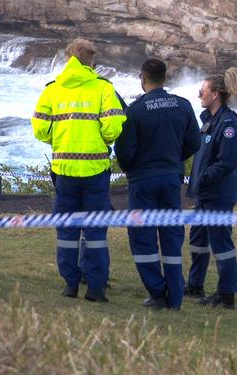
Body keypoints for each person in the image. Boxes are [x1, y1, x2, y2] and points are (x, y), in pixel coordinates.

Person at [31, 38, 125, 302]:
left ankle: (70, 283)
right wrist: (102, 140)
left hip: (64, 170)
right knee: (95, 231)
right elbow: (114, 127)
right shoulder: (104, 88)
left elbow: (39, 128)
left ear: (68, 58)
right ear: (91, 61)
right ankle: (95, 288)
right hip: (95, 169)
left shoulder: (53, 89)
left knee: (66, 230)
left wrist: (59, 139)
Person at [115, 58, 200, 310]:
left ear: (142, 78)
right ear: (165, 78)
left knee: (143, 237)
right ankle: (175, 297)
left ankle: (156, 292)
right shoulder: (183, 106)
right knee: (171, 236)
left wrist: (133, 169)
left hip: (142, 181)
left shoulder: (136, 110)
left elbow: (124, 151)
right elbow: (194, 142)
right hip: (172, 179)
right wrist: (174, 161)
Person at [184, 71, 237, 309]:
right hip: (204, 193)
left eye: (203, 91)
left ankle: (226, 293)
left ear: (215, 94)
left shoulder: (228, 124)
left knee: (221, 243)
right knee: (197, 239)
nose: (199, 95)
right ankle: (195, 284)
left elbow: (226, 162)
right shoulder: (208, 119)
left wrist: (204, 178)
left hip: (218, 194)